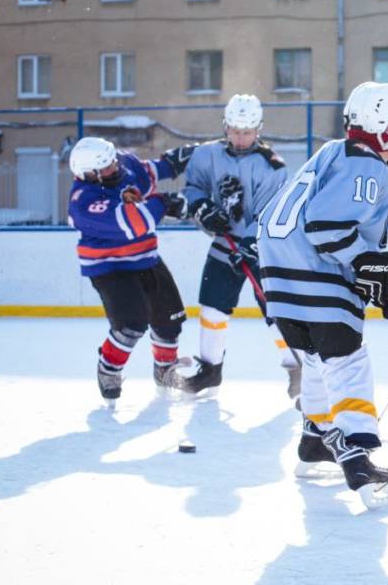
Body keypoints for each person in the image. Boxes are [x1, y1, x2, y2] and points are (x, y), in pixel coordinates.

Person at [257, 81, 388, 509]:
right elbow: (327, 227)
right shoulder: (366, 163)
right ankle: (357, 455)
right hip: (316, 280)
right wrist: (372, 269)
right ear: (384, 126)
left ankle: (315, 438)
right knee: (349, 362)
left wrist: (383, 281)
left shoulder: (331, 152)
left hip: (281, 286)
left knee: (318, 360)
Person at [180, 94, 296, 398]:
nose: (241, 138)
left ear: (258, 130)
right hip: (223, 243)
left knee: (275, 310)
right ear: (226, 127)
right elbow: (192, 188)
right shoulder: (206, 155)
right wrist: (202, 206)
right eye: (235, 130)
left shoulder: (273, 166)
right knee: (212, 305)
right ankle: (210, 369)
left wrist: (250, 243)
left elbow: (269, 213)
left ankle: (297, 368)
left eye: (247, 132)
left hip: (263, 248)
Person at [66, 136, 194, 404]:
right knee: (131, 324)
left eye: (112, 161)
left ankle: (165, 370)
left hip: (147, 258)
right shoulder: (84, 201)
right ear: (90, 174)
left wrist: (180, 159)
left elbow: (151, 171)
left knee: (170, 320)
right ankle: (109, 368)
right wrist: (165, 203)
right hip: (110, 268)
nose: (115, 167)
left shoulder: (121, 165)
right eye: (107, 167)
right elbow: (135, 222)